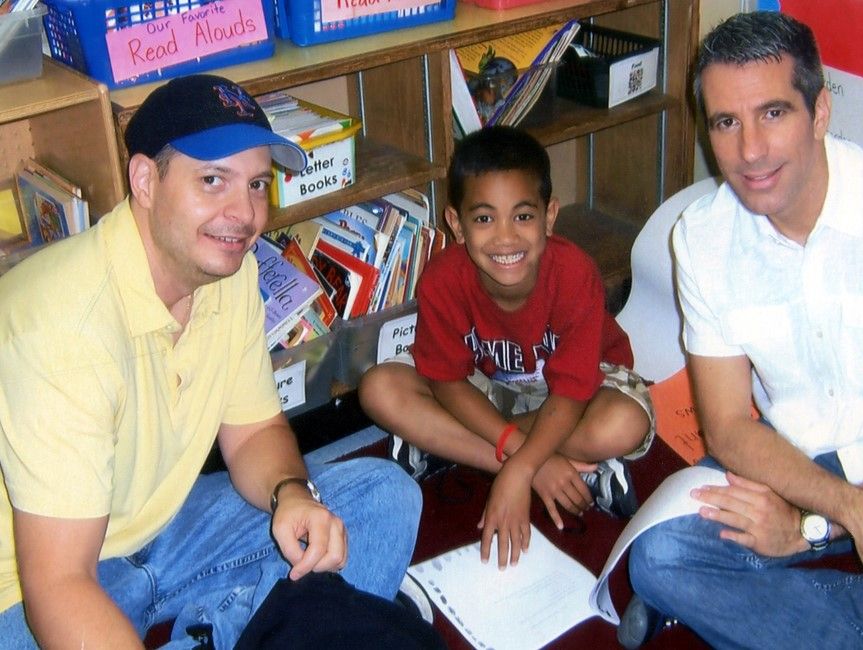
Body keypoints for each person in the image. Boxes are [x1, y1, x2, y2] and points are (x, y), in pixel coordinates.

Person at [0, 74, 422, 649]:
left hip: (161, 530)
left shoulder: (229, 268)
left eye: (255, 185)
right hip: (28, 588)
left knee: (383, 497)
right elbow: (58, 585)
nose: (243, 214)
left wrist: (289, 492)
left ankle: (220, 627)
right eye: (212, 180)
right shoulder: (61, 323)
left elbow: (253, 434)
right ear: (145, 180)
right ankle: (235, 624)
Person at [619, 11, 863, 649]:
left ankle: (780, 617)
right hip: (796, 463)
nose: (749, 151)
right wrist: (847, 515)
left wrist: (818, 529)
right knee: (661, 556)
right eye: (726, 122)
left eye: (773, 114)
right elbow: (728, 426)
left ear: (819, 112)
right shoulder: (700, 241)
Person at [359, 126, 654, 569]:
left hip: (579, 395)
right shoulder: (442, 279)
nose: (505, 238)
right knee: (379, 388)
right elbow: (447, 381)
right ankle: (557, 465)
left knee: (624, 423)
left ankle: (448, 444)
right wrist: (524, 459)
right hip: (489, 389)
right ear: (456, 225)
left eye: (522, 216)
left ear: (549, 217)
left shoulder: (575, 274)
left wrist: (519, 466)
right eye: (484, 219)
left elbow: (573, 392)